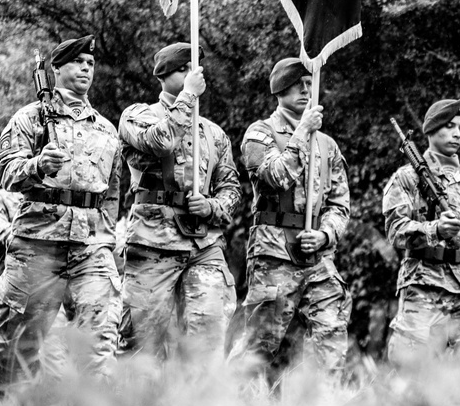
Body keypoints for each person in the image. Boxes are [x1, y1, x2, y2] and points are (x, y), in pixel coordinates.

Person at [0, 35, 123, 391]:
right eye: (79, 63)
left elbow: (113, 191)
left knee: (100, 341)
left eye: (91, 64)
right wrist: (37, 166)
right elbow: (5, 172)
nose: (86, 69)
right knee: (16, 349)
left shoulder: (106, 129)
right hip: (37, 247)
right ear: (56, 68)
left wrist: (105, 239)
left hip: (90, 250)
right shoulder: (30, 118)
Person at [118, 42, 240, 364]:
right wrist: (187, 95)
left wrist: (212, 206)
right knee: (142, 342)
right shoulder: (137, 115)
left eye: (195, 68)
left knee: (208, 335)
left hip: (204, 245)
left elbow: (232, 189)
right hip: (153, 242)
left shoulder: (213, 133)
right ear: (163, 75)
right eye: (185, 69)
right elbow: (161, 141)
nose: (194, 74)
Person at [230, 58, 351, 382]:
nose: (306, 90)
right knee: (259, 344)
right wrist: (302, 132)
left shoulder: (327, 146)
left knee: (332, 335)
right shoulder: (259, 133)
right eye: (298, 84)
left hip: (317, 257)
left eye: (310, 84)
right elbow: (275, 176)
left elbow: (340, 204)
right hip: (275, 255)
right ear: (279, 88)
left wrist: (325, 235)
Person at [383, 99, 460, 365]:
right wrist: (435, 230)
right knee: (410, 368)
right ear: (431, 131)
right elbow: (395, 230)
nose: (457, 133)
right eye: (449, 126)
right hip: (423, 283)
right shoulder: (406, 178)